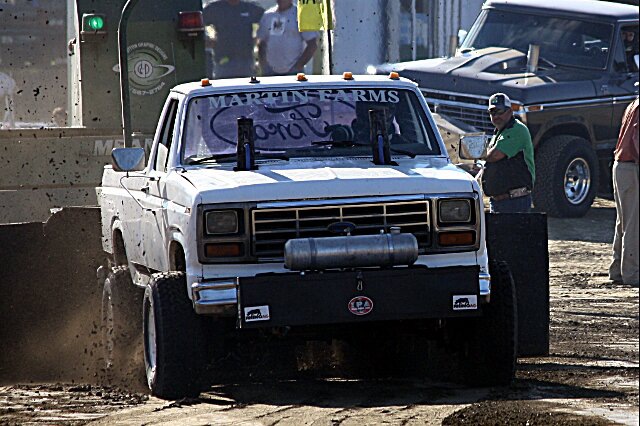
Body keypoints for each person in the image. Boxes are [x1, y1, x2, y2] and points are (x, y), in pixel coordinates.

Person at [481, 93, 535, 213]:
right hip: (498, 202)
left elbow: (494, 156)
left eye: (500, 111)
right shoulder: (499, 132)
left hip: (515, 202)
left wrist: (476, 154)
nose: (496, 116)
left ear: (510, 112)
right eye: (492, 112)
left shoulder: (517, 130)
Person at [608, 96, 639, 286]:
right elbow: (637, 139)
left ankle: (618, 269)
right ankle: (632, 273)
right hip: (631, 166)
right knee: (634, 223)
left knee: (624, 221)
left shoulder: (633, 104)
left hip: (622, 166)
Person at [202, 0, 264, 79]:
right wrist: (207, 40)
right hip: (223, 61)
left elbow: (267, 20)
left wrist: (259, 38)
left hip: (246, 61)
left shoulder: (249, 8)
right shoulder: (215, 8)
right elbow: (198, 22)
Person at [256, 0, 318, 76]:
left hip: (293, 71)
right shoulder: (268, 15)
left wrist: (298, 66)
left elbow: (312, 44)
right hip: (270, 71)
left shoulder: (301, 15)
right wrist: (264, 66)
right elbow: (261, 43)